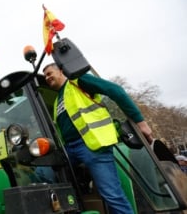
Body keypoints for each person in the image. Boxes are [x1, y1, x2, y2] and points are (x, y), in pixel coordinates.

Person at [43, 63, 153, 214]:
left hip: (92, 146)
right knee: (44, 171)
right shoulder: (57, 101)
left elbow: (116, 91)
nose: (47, 78)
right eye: (45, 76)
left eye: (49, 73)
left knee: (112, 195)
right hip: (70, 149)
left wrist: (140, 122)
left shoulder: (78, 81)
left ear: (61, 71)